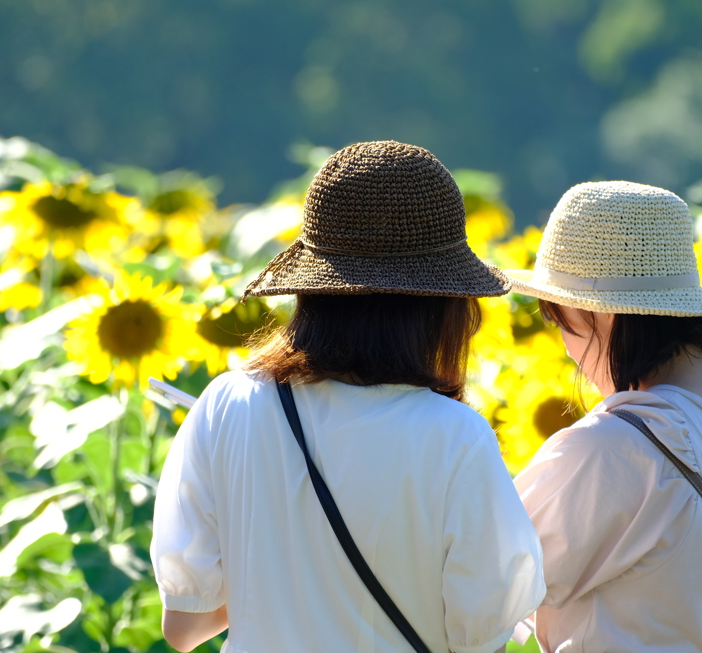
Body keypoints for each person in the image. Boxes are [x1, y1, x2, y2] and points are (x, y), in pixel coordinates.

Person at [150, 141, 545, 653]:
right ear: (446, 305)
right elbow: (478, 633)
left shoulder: (228, 403)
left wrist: (279, 576)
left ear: (312, 287)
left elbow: (183, 629)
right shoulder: (454, 435)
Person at [505, 181, 702, 653]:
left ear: (601, 316)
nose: (566, 348)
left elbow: (480, 583)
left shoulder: (617, 448)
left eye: (559, 320)